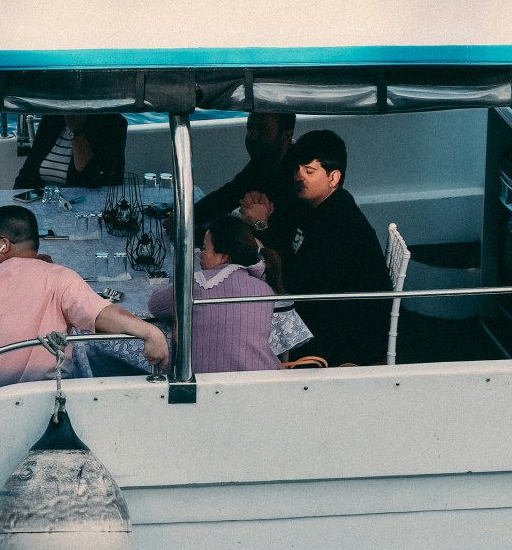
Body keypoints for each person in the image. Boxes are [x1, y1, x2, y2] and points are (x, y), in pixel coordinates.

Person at [0, 204, 169, 392]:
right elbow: (102, 315)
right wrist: (150, 333)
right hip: (50, 394)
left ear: (3, 245)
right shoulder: (60, 277)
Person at [284, 129, 391, 366]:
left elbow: (299, 282)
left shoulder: (339, 223)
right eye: (297, 169)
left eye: (309, 171)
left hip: (348, 340)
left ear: (333, 178)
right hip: (332, 319)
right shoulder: (317, 208)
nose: (298, 177)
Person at [148, 214, 282, 374]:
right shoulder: (265, 288)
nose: (199, 254)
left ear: (223, 257)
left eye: (204, 248)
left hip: (202, 382)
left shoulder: (198, 284)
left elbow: (155, 305)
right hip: (259, 378)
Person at [194, 112, 300, 261]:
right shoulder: (264, 162)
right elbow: (227, 195)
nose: (252, 136)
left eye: (262, 130)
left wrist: (200, 234)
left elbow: (277, 244)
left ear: (286, 136)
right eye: (250, 127)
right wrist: (188, 217)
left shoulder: (297, 178)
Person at [15, 112, 128, 191]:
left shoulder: (113, 124)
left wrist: (77, 129)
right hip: (44, 204)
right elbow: (27, 172)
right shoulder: (52, 119)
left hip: (82, 207)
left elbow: (95, 182)